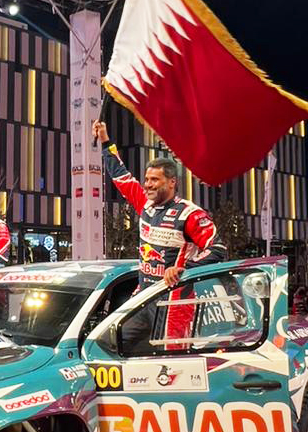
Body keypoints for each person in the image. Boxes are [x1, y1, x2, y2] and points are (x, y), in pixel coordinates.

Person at [93, 120, 226, 349]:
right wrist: (105, 141)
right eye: (146, 179)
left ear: (172, 182)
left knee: (170, 363)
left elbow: (218, 249)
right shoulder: (145, 204)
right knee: (111, 343)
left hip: (174, 305)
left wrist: (185, 269)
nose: (148, 185)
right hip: (144, 297)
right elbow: (120, 175)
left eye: (155, 180)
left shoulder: (190, 214)